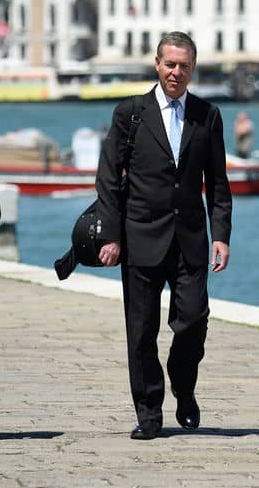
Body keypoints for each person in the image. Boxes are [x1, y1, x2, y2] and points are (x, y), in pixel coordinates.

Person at [95, 31, 232, 440]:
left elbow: (218, 183)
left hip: (190, 237)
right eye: (170, 64)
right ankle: (149, 413)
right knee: (140, 330)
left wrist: (221, 234)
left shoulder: (207, 116)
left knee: (192, 322)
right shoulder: (130, 113)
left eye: (184, 66)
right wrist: (112, 235)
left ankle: (183, 385)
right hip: (139, 236)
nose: (176, 72)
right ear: (157, 64)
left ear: (193, 69)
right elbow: (108, 179)